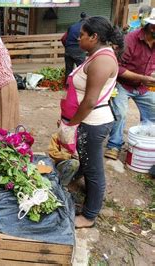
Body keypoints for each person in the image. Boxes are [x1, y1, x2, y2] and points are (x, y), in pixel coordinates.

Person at [59, 16, 123, 228]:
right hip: (87, 120)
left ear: (94, 37)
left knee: (94, 169)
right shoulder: (94, 55)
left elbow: (90, 101)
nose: (78, 39)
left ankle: (89, 215)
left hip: (93, 122)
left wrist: (71, 124)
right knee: (86, 160)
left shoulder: (102, 60)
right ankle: (82, 182)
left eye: (82, 36)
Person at [104, 8, 155, 160]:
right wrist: (142, 77)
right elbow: (117, 67)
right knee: (120, 113)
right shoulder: (130, 39)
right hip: (123, 84)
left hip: (144, 86)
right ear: (151, 27)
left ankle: (145, 143)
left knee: (152, 115)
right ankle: (114, 145)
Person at [62, 12, 87, 82]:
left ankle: (67, 85)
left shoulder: (72, 26)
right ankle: (80, 85)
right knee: (81, 69)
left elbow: (63, 38)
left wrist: (67, 47)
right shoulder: (87, 28)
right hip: (79, 50)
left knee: (69, 69)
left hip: (68, 49)